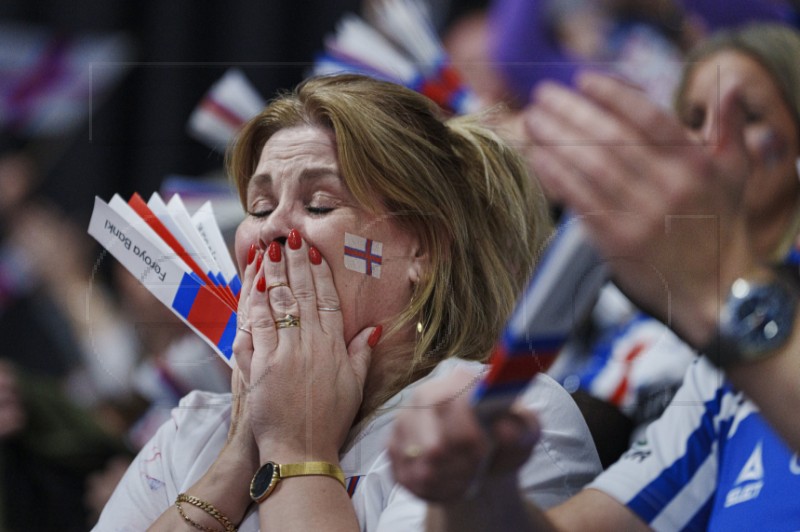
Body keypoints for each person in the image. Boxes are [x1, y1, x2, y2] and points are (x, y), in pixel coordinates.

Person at [93, 73, 601, 531]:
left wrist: (297, 445)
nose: (272, 227)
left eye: (319, 203)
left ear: (421, 249)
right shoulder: (193, 428)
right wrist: (236, 460)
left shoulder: (493, 416)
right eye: (260, 205)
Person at [389, 23, 800, 530]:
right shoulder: (718, 376)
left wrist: (719, 289)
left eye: (750, 116)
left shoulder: (719, 319)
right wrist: (473, 483)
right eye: (692, 119)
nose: (712, 143)